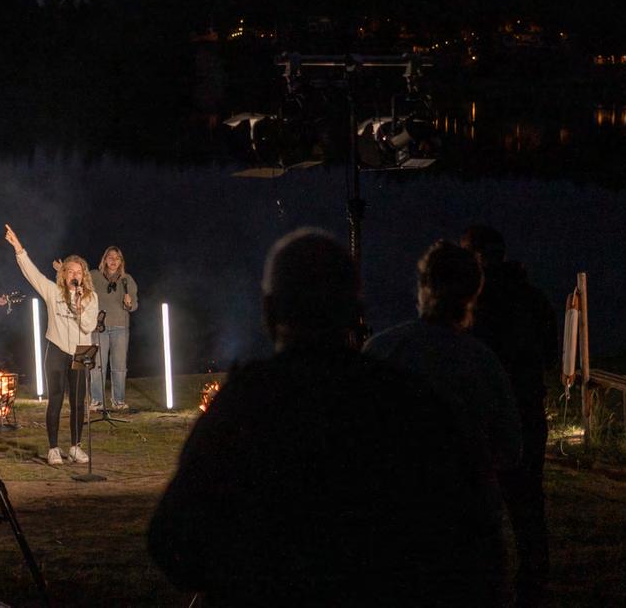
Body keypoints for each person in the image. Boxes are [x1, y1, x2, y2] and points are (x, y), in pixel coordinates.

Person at [149, 227, 492, 607]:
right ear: (355, 312)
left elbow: (172, 542)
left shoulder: (245, 404)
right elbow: (469, 541)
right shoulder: (402, 399)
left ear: (269, 312)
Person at [366, 240, 522, 607]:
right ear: (474, 294)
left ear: (423, 287)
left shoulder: (382, 351)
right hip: (471, 537)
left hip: (397, 535)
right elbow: (511, 450)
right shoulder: (483, 363)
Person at [461, 225, 558, 607]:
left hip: (487, 415)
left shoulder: (474, 304)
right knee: (527, 498)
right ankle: (534, 577)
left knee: (481, 501)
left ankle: (484, 579)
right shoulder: (533, 299)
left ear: (480, 257)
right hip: (528, 409)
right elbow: (550, 355)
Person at [4, 224, 98, 465]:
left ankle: (75, 446)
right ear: (64, 274)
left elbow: (89, 326)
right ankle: (54, 448)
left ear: (83, 275)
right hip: (56, 348)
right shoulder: (52, 291)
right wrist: (19, 249)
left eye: (79, 272)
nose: (74, 275)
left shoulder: (90, 297)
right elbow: (32, 274)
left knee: (78, 401)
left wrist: (78, 308)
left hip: (82, 349)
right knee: (55, 397)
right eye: (70, 271)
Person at [90, 245, 137, 412]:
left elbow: (134, 306)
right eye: (110, 257)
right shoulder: (94, 276)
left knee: (119, 366)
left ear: (121, 262)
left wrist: (128, 303)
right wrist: (62, 270)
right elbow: (78, 284)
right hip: (98, 327)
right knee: (97, 366)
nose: (113, 261)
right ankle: (97, 401)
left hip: (120, 327)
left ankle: (118, 401)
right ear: (104, 259)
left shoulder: (127, 279)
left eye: (117, 258)